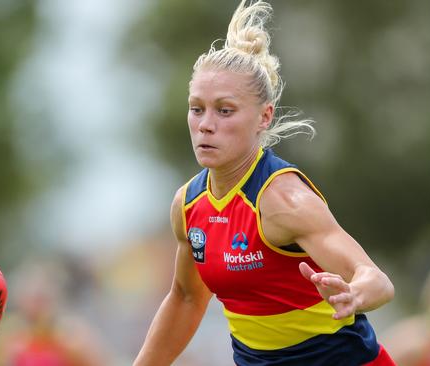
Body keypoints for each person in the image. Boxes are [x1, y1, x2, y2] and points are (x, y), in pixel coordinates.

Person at [133, 1, 396, 365]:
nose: (206, 124)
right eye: (197, 108)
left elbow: (377, 280)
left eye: (224, 110)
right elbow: (187, 298)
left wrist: (356, 294)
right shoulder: (189, 205)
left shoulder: (283, 201)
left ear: (264, 117)